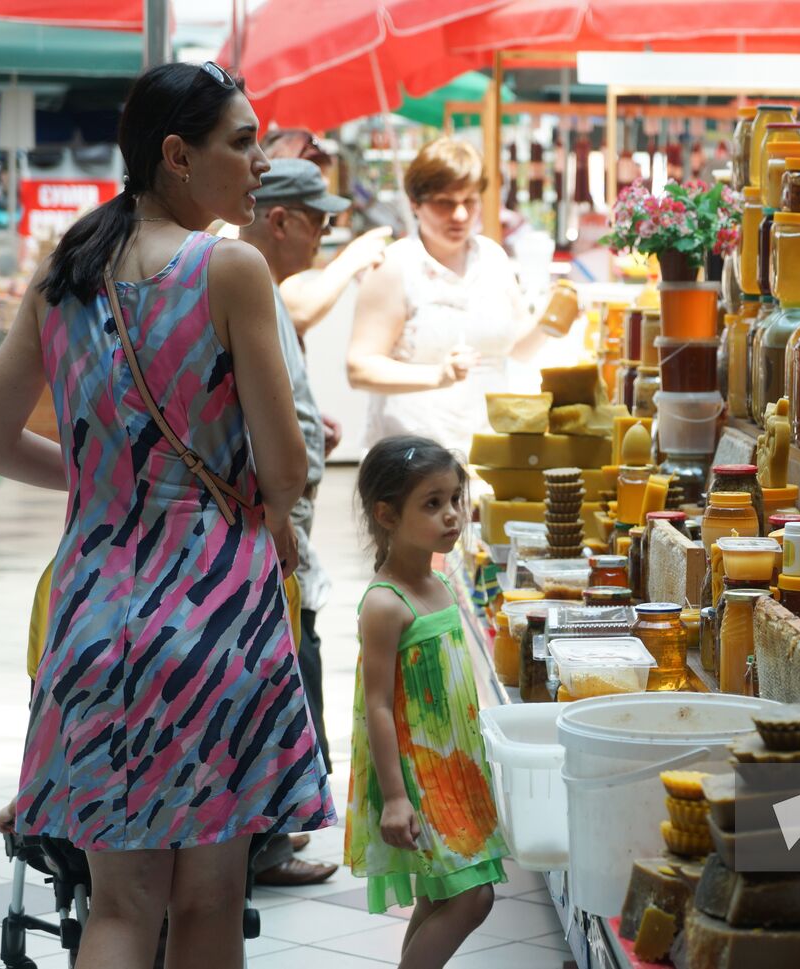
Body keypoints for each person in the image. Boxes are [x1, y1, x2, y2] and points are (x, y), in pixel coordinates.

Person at [0, 62, 334, 969]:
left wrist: (106, 481)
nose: (260, 162)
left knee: (118, 904)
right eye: (244, 141)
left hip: (92, 611)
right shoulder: (229, 267)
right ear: (178, 155)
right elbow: (286, 464)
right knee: (209, 897)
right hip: (217, 617)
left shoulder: (68, 268)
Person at [345, 436, 506, 969]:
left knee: (442, 895)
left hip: (455, 769)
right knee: (471, 896)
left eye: (455, 499)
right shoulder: (386, 604)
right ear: (387, 515)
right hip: (420, 777)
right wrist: (395, 798)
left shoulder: (437, 581)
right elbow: (378, 708)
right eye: (432, 504)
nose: (452, 515)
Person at [240, 157, 349, 887]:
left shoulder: (257, 283)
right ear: (281, 218)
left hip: (281, 525)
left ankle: (273, 838)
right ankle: (265, 841)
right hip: (271, 532)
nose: (325, 237)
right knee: (286, 674)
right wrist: (277, 510)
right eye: (320, 222)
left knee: (293, 673)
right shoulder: (241, 277)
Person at [348, 138, 564, 458]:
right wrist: (437, 375)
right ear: (415, 203)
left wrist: (553, 317)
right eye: (444, 202)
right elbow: (360, 368)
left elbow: (518, 347)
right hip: (412, 459)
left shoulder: (492, 257)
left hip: (486, 452)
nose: (460, 214)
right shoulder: (395, 266)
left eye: (470, 201)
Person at [263, 127, 394, 337]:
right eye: (314, 211)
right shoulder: (246, 248)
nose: (324, 229)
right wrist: (352, 259)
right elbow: (300, 312)